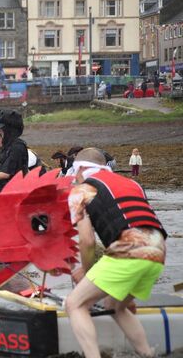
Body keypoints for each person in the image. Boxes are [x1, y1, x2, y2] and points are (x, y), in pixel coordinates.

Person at [65, 147, 167, 358]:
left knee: (74, 304)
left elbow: (87, 240)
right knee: (115, 304)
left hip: (129, 249)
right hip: (158, 250)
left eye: (74, 171)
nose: (74, 177)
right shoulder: (133, 183)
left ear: (81, 168)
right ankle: (147, 354)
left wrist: (86, 271)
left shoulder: (81, 190)